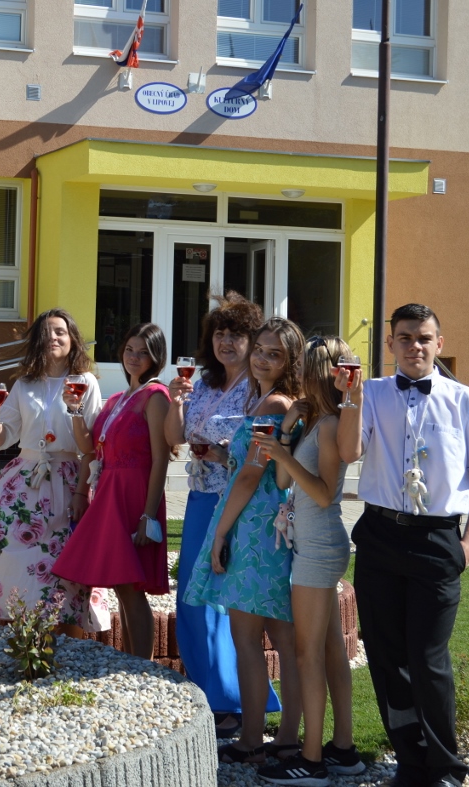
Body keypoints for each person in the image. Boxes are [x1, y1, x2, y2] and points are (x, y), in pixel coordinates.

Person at [338, 303, 469, 787]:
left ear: (439, 344)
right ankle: (410, 761)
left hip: (437, 540)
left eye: (424, 337)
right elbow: (349, 451)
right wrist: (350, 399)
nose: (415, 346)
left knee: (429, 660)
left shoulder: (465, 401)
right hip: (380, 535)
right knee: (387, 658)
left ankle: (446, 766)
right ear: (390, 343)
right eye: (405, 337)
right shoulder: (371, 393)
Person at [184, 316, 306, 765]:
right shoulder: (274, 401)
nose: (262, 359)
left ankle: (254, 739)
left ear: (290, 362)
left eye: (275, 354)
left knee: (250, 638)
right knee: (281, 639)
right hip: (267, 527)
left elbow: (252, 475)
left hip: (254, 529)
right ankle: (283, 737)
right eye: (260, 350)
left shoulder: (272, 403)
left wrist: (220, 533)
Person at [252, 336, 364, 785]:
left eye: (304, 368)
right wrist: (285, 432)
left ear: (320, 373)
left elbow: (322, 493)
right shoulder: (314, 421)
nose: (296, 375)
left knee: (307, 653)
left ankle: (311, 759)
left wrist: (284, 454)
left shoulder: (333, 424)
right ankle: (344, 749)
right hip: (310, 545)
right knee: (331, 648)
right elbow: (283, 480)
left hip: (319, 547)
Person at [164, 290, 276, 737]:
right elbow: (174, 438)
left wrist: (223, 453)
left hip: (239, 505)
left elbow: (260, 452)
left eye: (235, 335)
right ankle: (206, 691)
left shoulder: (257, 390)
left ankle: (232, 701)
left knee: (225, 601)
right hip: (199, 499)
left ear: (252, 341)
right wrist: (175, 401)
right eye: (219, 334)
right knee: (192, 598)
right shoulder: (205, 385)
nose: (226, 342)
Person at [0, 308, 110, 635]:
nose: (53, 338)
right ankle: (25, 637)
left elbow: (91, 446)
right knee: (5, 550)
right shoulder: (25, 384)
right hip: (25, 479)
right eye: (46, 333)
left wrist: (82, 492)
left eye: (60, 332)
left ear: (72, 338)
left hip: (68, 479)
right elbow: (3, 439)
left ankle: (70, 643)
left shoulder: (85, 382)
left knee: (65, 564)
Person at [53, 322, 171, 659]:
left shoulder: (155, 396)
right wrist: (75, 409)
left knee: (131, 586)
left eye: (143, 352)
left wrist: (148, 515)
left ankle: (142, 666)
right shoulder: (118, 398)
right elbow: (89, 446)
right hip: (109, 493)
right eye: (129, 349)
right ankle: (131, 661)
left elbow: (161, 459)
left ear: (156, 357)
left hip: (135, 495)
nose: (134, 357)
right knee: (121, 585)